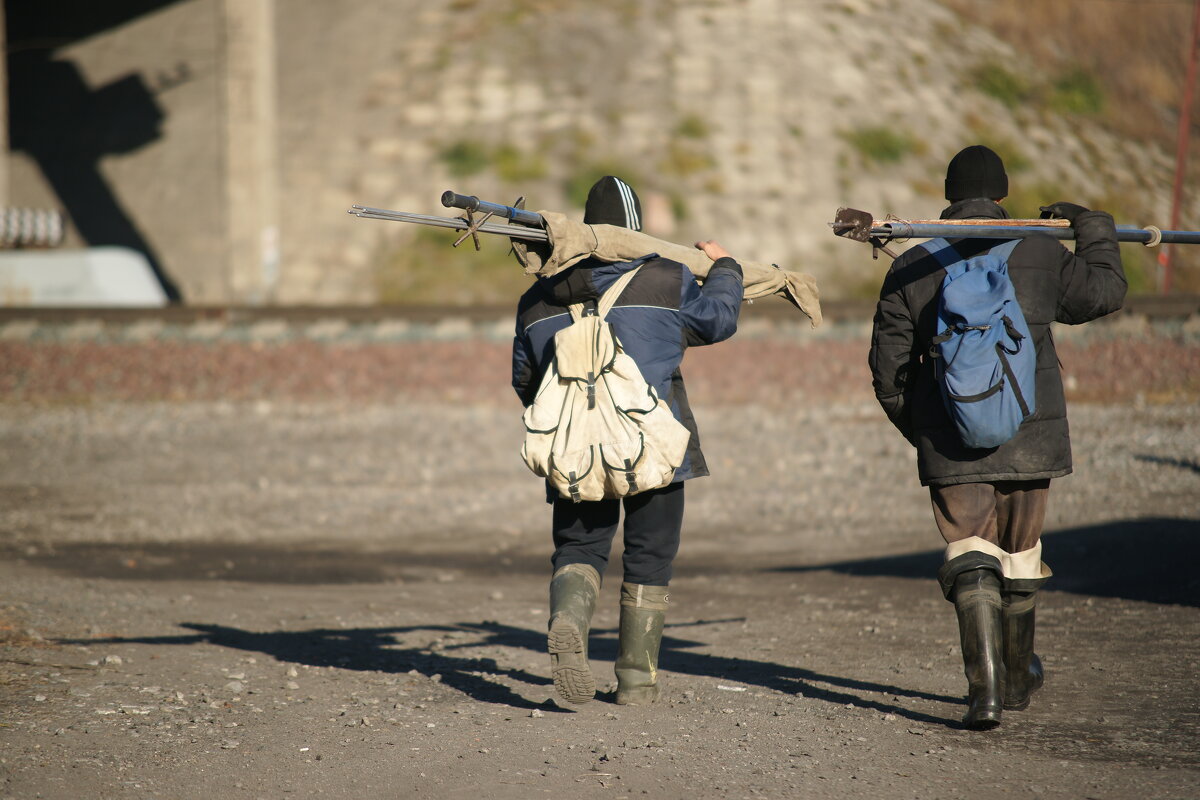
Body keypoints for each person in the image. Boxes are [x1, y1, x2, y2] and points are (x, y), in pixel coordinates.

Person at [868, 145, 1126, 729]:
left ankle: (982, 690)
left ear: (948, 196)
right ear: (1003, 195)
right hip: (1032, 437)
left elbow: (888, 373)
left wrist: (929, 432)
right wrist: (1091, 225)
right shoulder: (1040, 250)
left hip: (950, 441)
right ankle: (1014, 678)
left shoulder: (913, 261)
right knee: (1019, 555)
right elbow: (1107, 291)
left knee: (971, 555)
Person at [512, 175, 744, 706]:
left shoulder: (536, 299)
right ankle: (636, 683)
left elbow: (525, 383)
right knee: (649, 557)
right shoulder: (666, 279)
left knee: (579, 548)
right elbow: (717, 321)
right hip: (655, 449)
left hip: (575, 452)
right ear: (636, 227)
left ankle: (568, 618)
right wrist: (727, 269)